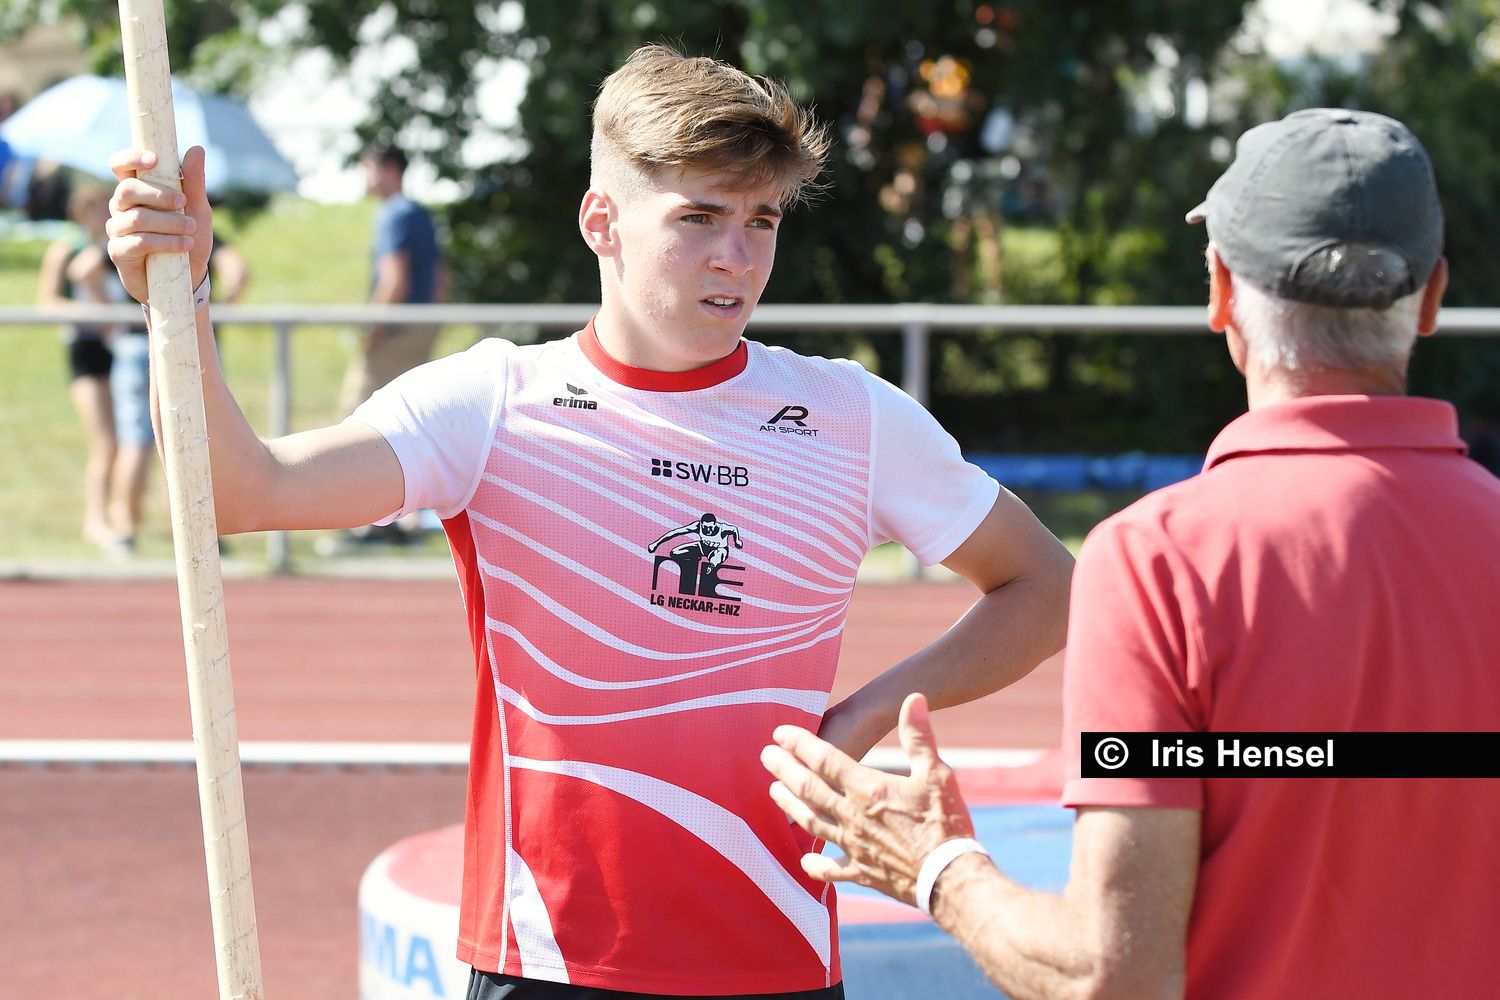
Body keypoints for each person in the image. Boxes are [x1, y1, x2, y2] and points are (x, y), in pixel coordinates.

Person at [104, 44, 1073, 999]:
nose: (737, 258)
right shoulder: (493, 404)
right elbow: (243, 493)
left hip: (776, 965)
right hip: (549, 966)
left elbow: (1048, 587)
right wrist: (178, 299)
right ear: (601, 221)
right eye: (699, 218)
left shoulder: (850, 418)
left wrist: (860, 718)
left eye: (762, 220)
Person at [762, 108, 1500, 999]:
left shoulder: (1163, 564)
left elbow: (1113, 973)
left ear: (1220, 288)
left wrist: (934, 866)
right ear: (1432, 296)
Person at [36, 182, 128, 553]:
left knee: (131, 440)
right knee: (106, 439)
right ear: (81, 212)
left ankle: (122, 512)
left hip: (122, 346)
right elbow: (47, 303)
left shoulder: (117, 246)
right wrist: (97, 313)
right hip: (87, 347)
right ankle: (96, 519)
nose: (103, 214)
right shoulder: (66, 250)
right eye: (96, 208)